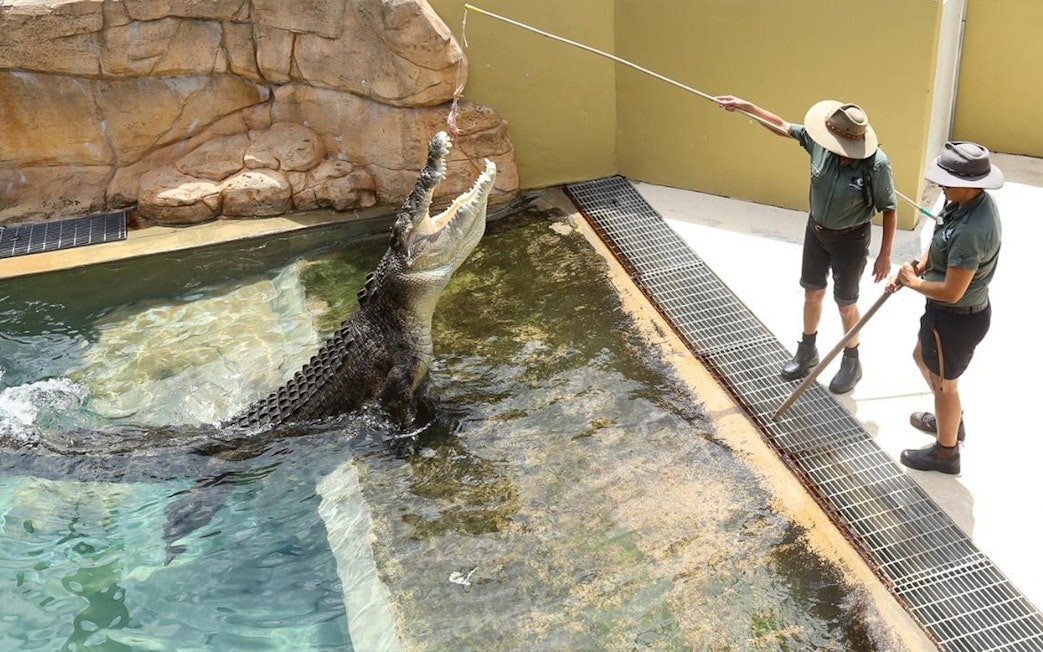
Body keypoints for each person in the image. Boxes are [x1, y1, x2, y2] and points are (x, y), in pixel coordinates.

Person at [714, 96, 897, 393]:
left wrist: (884, 255)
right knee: (812, 293)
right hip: (817, 230)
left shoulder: (876, 165)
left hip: (851, 238)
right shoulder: (821, 144)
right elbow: (782, 126)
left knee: (845, 303)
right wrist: (746, 106)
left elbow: (889, 208)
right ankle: (807, 349)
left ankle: (852, 361)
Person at [886, 141, 1003, 475]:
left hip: (955, 318)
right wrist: (917, 269)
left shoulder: (972, 231)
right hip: (948, 316)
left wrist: (911, 283)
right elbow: (940, 244)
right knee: (921, 357)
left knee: (944, 387)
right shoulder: (964, 203)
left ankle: (946, 451)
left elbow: (952, 291)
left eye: (946, 180)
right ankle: (948, 418)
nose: (940, 185)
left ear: (968, 184)